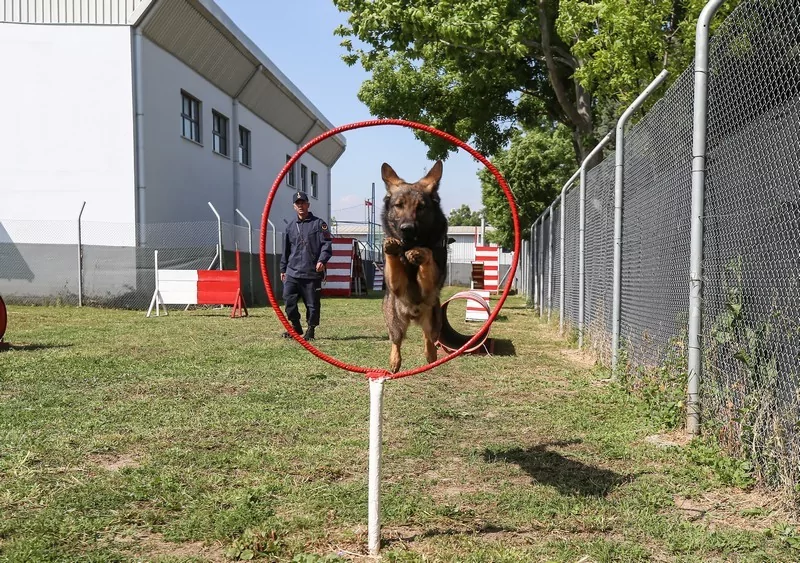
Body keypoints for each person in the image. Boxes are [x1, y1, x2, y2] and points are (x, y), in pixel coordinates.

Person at [280, 191, 332, 340]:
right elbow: (286, 250)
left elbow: (326, 244)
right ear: (294, 207)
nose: (300, 205)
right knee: (288, 300)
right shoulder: (290, 227)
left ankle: (311, 329)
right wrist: (283, 269)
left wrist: (322, 260)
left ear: (308, 204)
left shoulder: (318, 224)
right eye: (298, 204)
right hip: (293, 271)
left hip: (311, 272)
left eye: (303, 203)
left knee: (313, 304)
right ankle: (295, 326)